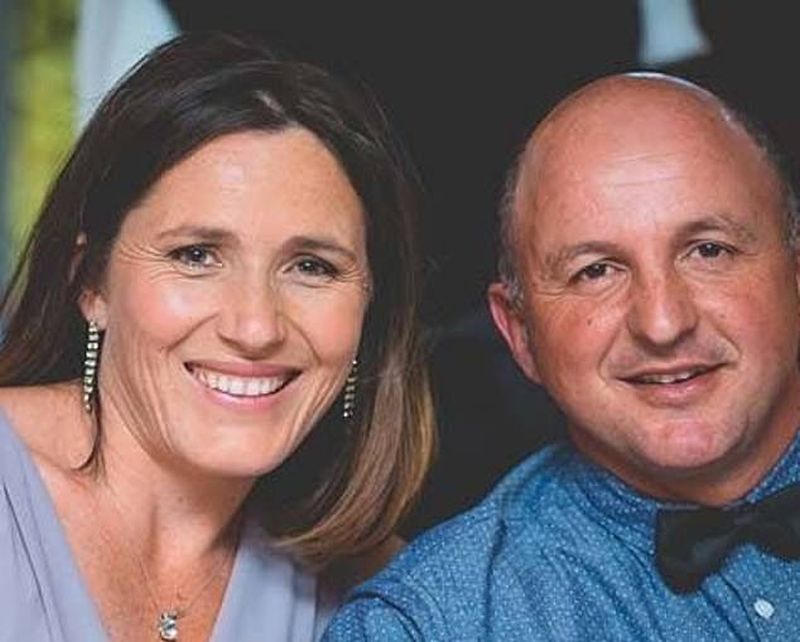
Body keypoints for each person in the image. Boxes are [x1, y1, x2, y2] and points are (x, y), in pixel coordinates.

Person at [323, 72, 800, 640]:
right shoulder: (424, 627)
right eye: (595, 271)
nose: (663, 323)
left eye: (709, 251)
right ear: (520, 333)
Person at [0, 32, 434, 641]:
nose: (255, 328)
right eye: (196, 255)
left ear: (370, 307)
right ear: (91, 282)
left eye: (311, 267)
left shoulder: (393, 595)